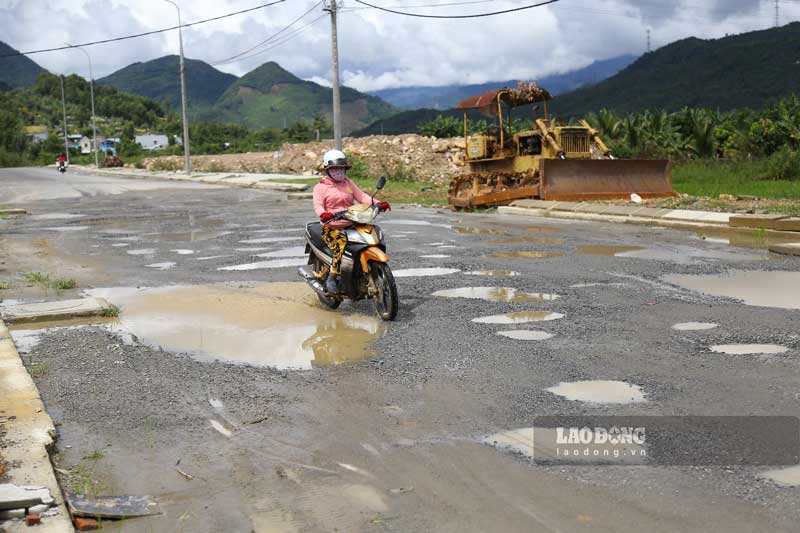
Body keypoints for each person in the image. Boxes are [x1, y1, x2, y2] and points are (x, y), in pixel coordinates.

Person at [313, 149, 390, 294]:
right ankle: (332, 276)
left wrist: (379, 204)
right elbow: (318, 205)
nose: (339, 172)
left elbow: (362, 197)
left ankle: (362, 270)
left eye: (341, 168)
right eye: (335, 169)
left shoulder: (348, 183)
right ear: (327, 170)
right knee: (340, 244)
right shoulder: (320, 187)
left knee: (372, 234)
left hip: (352, 221)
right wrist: (324, 214)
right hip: (332, 226)